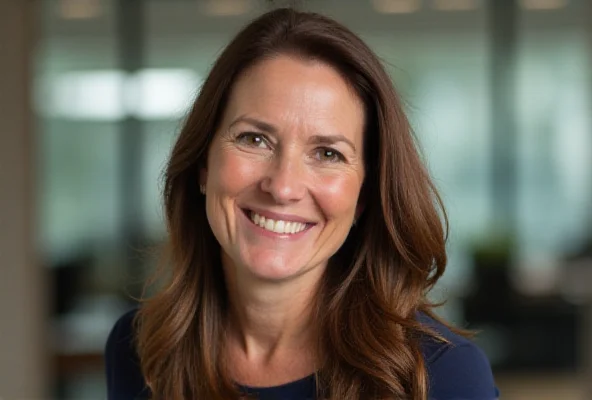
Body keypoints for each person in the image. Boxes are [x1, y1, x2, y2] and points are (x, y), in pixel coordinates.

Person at [105, 7, 499, 400]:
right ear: (203, 164)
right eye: (254, 139)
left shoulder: (442, 376)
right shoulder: (140, 348)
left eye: (328, 153)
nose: (283, 186)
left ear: (364, 195)